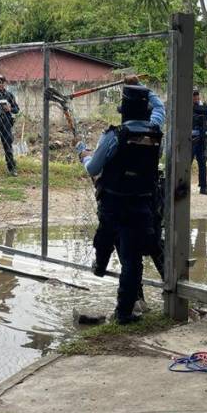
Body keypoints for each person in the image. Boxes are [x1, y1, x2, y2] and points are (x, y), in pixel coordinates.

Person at [78, 84, 165, 323]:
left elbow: (94, 168)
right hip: (142, 204)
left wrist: (84, 156)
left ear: (124, 111)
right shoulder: (155, 133)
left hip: (113, 202)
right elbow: (160, 109)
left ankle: (100, 264)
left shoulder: (114, 136)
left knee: (106, 234)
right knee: (132, 260)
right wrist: (147, 90)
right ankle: (124, 313)